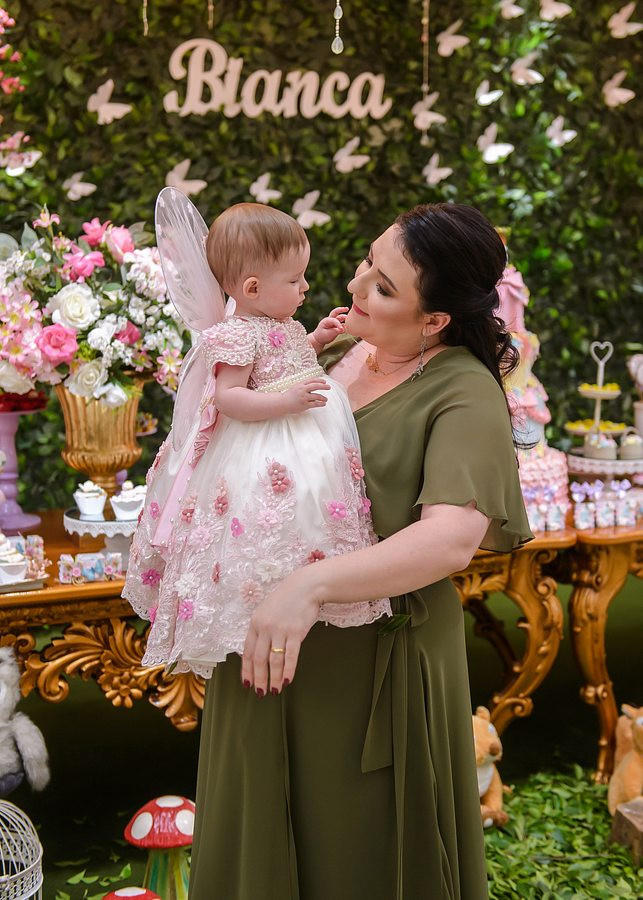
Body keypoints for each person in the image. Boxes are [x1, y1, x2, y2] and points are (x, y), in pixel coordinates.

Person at [188, 203, 533, 900]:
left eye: (383, 286)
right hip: (270, 646)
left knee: (352, 848)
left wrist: (305, 588)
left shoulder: (462, 390)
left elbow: (450, 538)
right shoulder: (337, 353)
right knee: (259, 831)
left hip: (375, 660)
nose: (353, 286)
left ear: (434, 319)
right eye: (366, 263)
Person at [124, 202, 390, 676]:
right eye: (295, 280)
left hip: (304, 430)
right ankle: (264, 585)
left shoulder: (280, 324)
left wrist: (317, 339)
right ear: (252, 288)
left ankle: (314, 575)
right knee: (269, 509)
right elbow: (229, 398)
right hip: (266, 441)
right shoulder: (236, 336)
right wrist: (285, 402)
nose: (305, 287)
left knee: (315, 504)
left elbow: (287, 357)